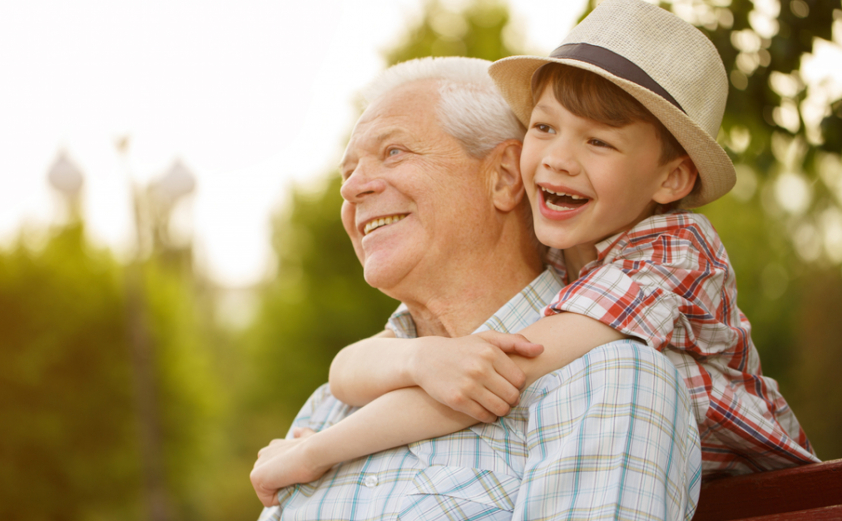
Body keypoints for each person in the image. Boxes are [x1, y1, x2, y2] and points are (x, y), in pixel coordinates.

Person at [316, 0, 819, 480]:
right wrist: (417, 357)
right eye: (544, 127)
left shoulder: (674, 254)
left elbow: (498, 376)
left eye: (598, 140)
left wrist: (317, 453)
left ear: (671, 179)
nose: (558, 158)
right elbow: (349, 366)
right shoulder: (557, 251)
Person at [252, 54, 701, 520]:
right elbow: (347, 368)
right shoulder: (332, 405)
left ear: (504, 176)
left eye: (393, 152)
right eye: (348, 173)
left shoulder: (608, 376)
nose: (352, 189)